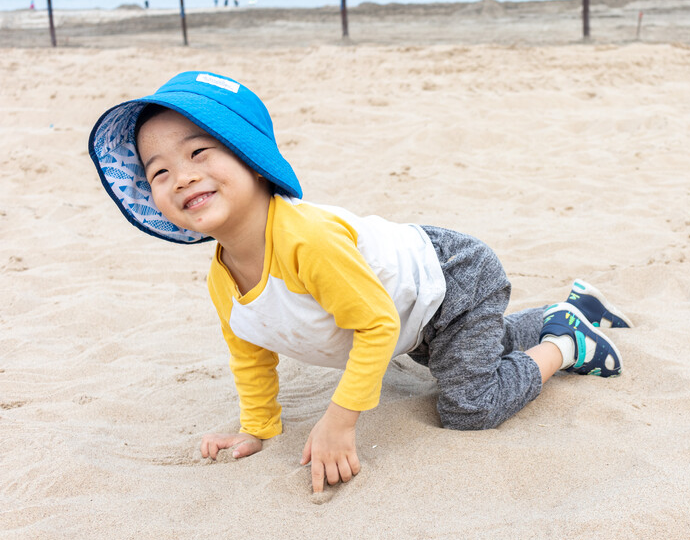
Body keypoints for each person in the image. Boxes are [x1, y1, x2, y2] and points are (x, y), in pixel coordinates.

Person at [88, 71, 633, 493]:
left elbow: (375, 326)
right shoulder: (223, 278)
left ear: (252, 160)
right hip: (412, 315)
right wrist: (255, 430)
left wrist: (339, 422)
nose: (180, 175)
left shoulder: (306, 239)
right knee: (461, 351)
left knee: (471, 406)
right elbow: (251, 356)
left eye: (199, 151)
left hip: (451, 280)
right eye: (157, 171)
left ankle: (570, 343)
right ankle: (565, 311)